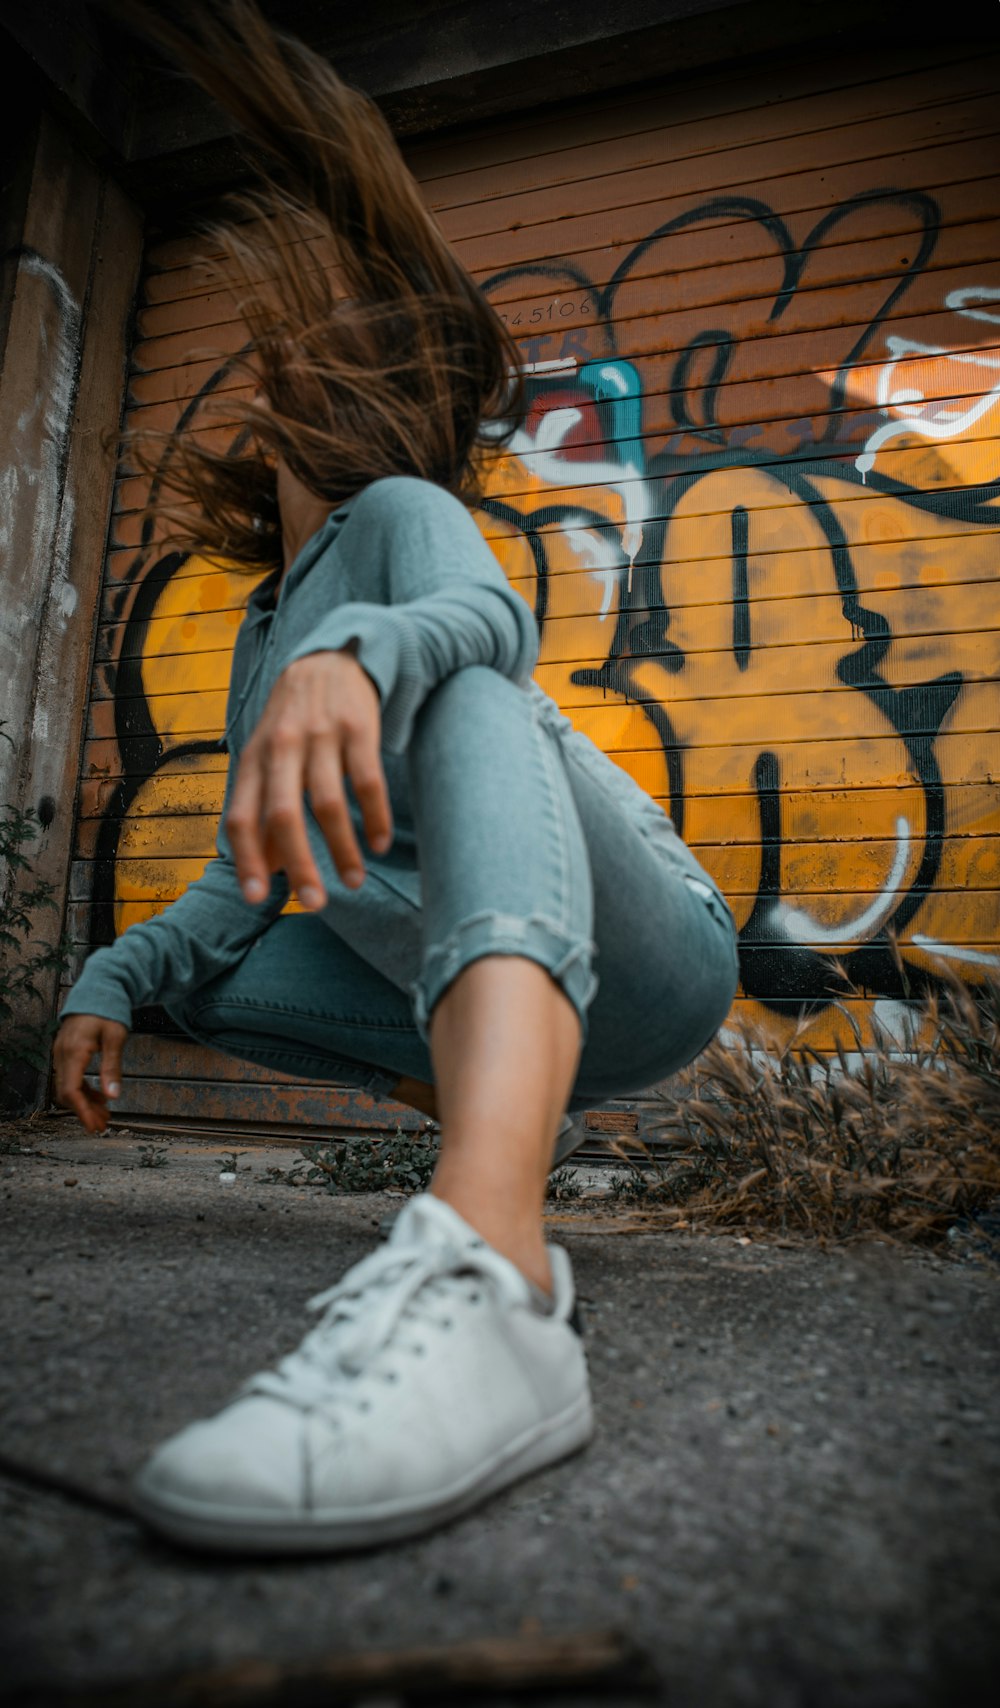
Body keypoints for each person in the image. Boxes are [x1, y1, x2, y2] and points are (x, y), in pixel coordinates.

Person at [54, 0, 739, 1553]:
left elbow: (491, 617)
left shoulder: (397, 510)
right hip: (526, 993)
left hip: (657, 950)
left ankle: (492, 1262)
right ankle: (498, 1119)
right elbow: (246, 879)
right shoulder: (255, 630)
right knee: (214, 958)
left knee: (473, 690)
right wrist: (106, 977)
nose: (264, 381)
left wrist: (362, 653)